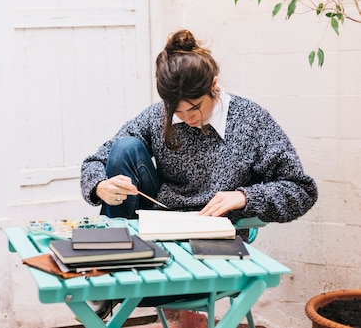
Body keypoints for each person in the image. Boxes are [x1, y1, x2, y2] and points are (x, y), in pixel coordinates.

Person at [79, 29, 318, 315]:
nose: (189, 118)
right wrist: (100, 185)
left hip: (214, 244)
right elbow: (95, 160)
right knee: (125, 148)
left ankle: (109, 283)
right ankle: (112, 265)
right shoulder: (158, 116)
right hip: (156, 228)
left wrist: (244, 197)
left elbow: (301, 190)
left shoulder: (251, 120)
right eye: (178, 112)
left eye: (195, 107)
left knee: (130, 280)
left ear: (214, 85)